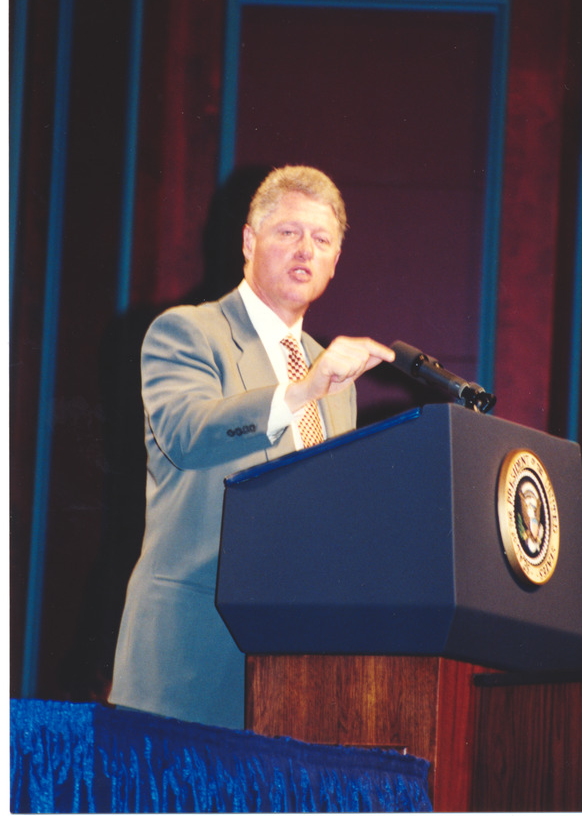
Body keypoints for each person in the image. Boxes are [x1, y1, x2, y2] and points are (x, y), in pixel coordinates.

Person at [108, 165, 395, 728]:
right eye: (288, 232)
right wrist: (303, 389)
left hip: (291, 671)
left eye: (322, 239)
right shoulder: (188, 332)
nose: (304, 250)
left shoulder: (337, 383)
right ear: (248, 240)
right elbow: (188, 434)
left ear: (336, 260)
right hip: (188, 658)